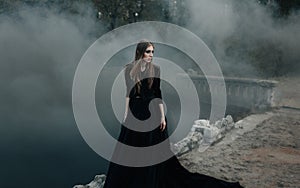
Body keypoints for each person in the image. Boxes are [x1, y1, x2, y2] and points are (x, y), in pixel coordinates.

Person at [103, 40, 243, 188]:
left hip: (152, 113)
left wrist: (162, 117)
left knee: (153, 152)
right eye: (148, 52)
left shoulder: (155, 69)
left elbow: (157, 94)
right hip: (135, 111)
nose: (151, 55)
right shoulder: (129, 69)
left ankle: (147, 178)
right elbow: (128, 93)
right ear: (140, 52)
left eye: (152, 52)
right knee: (129, 148)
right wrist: (126, 114)